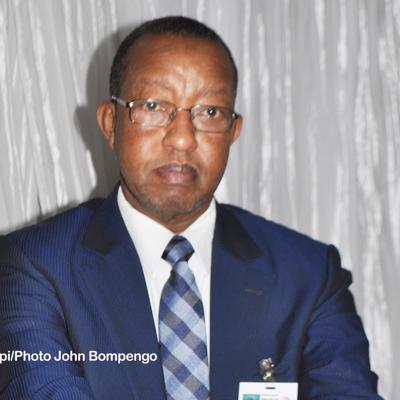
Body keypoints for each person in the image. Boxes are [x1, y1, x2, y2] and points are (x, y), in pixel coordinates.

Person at [0, 15, 382, 400]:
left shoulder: (308, 275)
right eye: (153, 106)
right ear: (111, 123)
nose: (182, 139)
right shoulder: (34, 266)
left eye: (210, 112)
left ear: (233, 131)